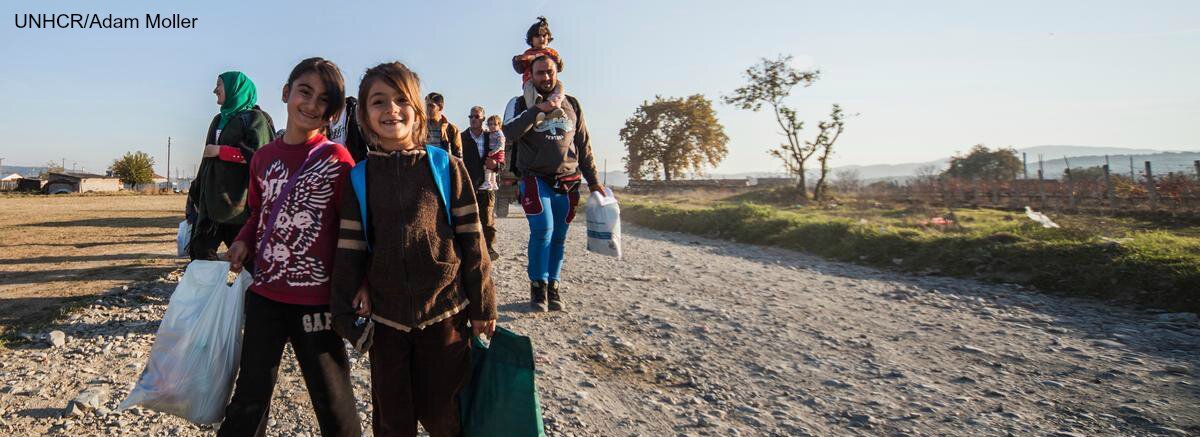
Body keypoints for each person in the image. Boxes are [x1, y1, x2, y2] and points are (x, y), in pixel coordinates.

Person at [330, 61, 497, 437]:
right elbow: (351, 248)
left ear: (418, 110)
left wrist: (483, 305)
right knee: (392, 419)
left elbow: (472, 240)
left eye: (401, 100)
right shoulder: (360, 177)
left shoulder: (447, 168)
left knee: (444, 416)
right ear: (363, 116)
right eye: (378, 101)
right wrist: (344, 313)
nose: (391, 109)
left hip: (445, 314)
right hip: (387, 322)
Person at [219, 57, 359, 437]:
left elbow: (353, 229)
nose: (312, 105)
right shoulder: (263, 158)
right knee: (250, 395)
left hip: (317, 302)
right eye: (305, 92)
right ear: (286, 93)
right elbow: (257, 213)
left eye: (324, 99)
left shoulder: (337, 160)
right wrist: (244, 242)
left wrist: (357, 284)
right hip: (265, 295)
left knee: (333, 401)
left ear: (333, 111)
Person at [503, 55, 605, 312]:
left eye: (550, 72)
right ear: (531, 75)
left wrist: (594, 182)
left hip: (569, 180)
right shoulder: (519, 104)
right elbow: (509, 133)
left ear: (557, 72)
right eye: (540, 73)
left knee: (559, 236)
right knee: (543, 229)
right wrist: (540, 109)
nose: (546, 78)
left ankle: (553, 286)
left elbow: (583, 144)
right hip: (535, 178)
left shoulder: (572, 104)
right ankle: (537, 286)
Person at [186, 71, 275, 262]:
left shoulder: (255, 119)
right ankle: (210, 292)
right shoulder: (218, 120)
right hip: (211, 206)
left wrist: (222, 151)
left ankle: (248, 292)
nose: (214, 90)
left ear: (235, 89)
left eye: (219, 84)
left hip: (239, 207)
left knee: (249, 261)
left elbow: (260, 156)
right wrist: (195, 192)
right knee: (200, 254)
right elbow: (206, 162)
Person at [460, 106, 503, 258]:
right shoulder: (461, 137)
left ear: (483, 119)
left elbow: (501, 158)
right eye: (470, 116)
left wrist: (497, 166)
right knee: (467, 221)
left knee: (488, 221)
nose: (473, 119)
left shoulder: (491, 137)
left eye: (476, 117)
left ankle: (489, 249)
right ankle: (470, 251)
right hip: (467, 186)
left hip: (487, 186)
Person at [512, 16, 566, 126]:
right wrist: (518, 60)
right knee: (528, 89)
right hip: (531, 81)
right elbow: (520, 69)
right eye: (537, 36)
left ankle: (554, 106)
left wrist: (559, 60)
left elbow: (560, 67)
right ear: (531, 40)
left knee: (560, 85)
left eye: (544, 35)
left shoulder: (551, 53)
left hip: (550, 82)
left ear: (548, 38)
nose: (541, 38)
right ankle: (535, 112)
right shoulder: (528, 53)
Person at [327, 96, 370, 162]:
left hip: (357, 165)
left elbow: (373, 142)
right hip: (337, 167)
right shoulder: (325, 119)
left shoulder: (354, 109)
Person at [424, 92, 462, 158]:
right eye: (426, 106)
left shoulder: (452, 129)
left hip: (444, 166)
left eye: (431, 106)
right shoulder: (420, 127)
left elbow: (458, 157)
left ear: (440, 108)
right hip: (424, 166)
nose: (427, 109)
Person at [481, 115, 506, 191]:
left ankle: (487, 182)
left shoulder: (499, 134)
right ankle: (493, 183)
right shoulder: (492, 133)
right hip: (495, 151)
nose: (492, 126)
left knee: (488, 167)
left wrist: (493, 151)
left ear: (499, 125)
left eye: (495, 124)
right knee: (492, 170)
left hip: (497, 152)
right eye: (490, 124)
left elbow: (501, 145)